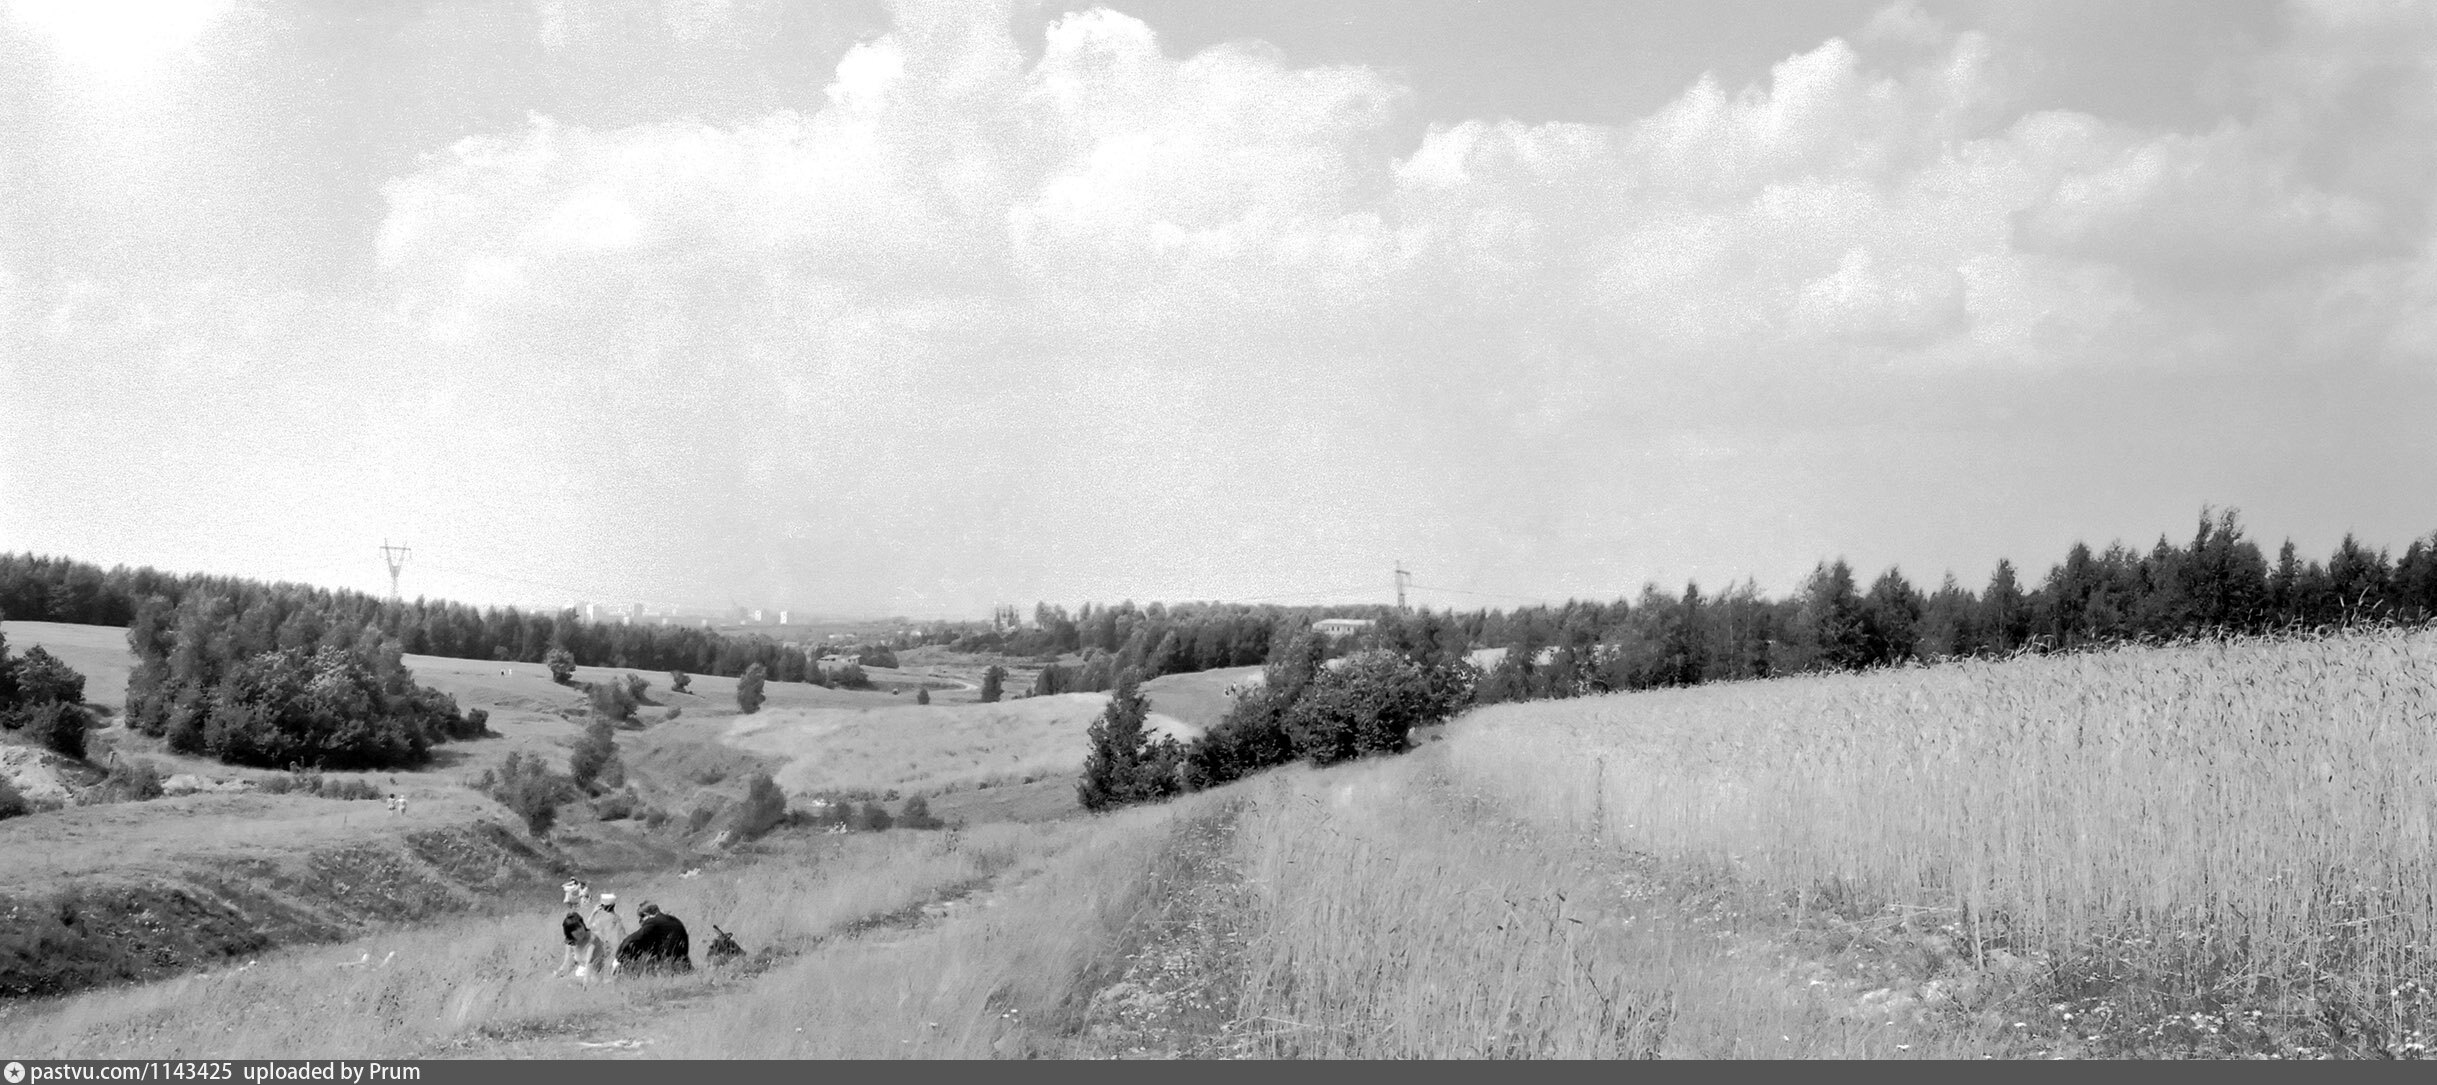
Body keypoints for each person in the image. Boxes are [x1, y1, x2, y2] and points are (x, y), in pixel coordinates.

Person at [616, 901, 693, 975]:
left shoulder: (653, 923)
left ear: (646, 914)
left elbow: (630, 940)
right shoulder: (674, 920)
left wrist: (617, 959)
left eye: (641, 918)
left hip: (670, 968)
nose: (640, 922)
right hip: (685, 965)